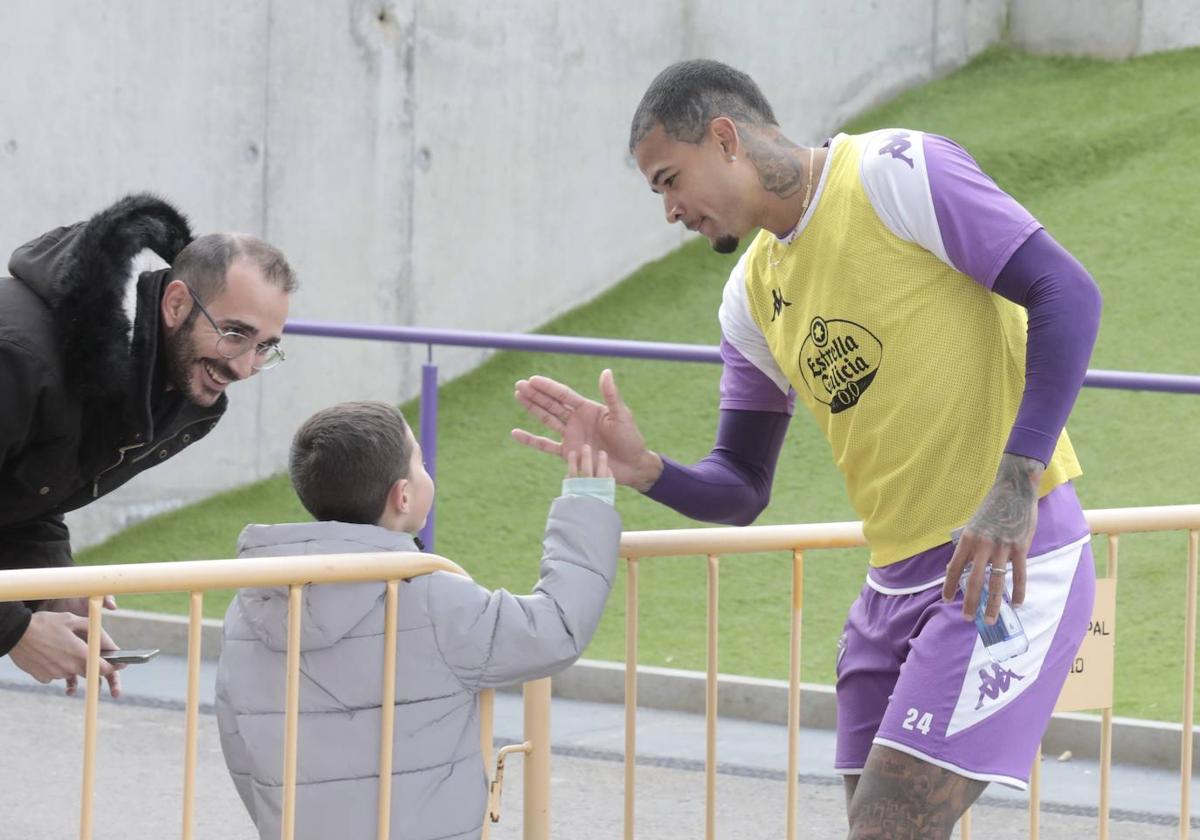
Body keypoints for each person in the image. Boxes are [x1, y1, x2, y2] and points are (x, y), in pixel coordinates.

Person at [512, 59, 1102, 837]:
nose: (669, 210)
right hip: (890, 592)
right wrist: (645, 469)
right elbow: (741, 484)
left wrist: (1016, 482)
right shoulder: (749, 296)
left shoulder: (896, 171)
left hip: (1004, 567)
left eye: (668, 179)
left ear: (724, 137)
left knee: (885, 831)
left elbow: (1067, 292)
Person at [214, 401, 620, 840]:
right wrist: (587, 502)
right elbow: (554, 629)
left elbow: (241, 748)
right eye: (421, 463)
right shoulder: (431, 595)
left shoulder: (253, 601)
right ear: (402, 496)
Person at [0, 193, 296, 696]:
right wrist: (15, 630)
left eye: (265, 346)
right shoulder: (20, 358)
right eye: (234, 333)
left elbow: (29, 495)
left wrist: (50, 588)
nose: (245, 367)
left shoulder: (173, 395)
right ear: (177, 303)